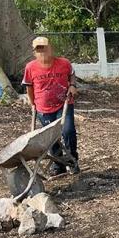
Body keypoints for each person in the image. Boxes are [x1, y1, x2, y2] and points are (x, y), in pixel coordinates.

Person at [22, 36, 80, 175]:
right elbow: (29, 87)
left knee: (68, 132)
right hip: (44, 108)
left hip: (64, 104)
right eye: (39, 49)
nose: (42, 52)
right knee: (51, 138)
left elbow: (72, 74)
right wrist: (32, 102)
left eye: (44, 48)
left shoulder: (64, 63)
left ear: (51, 48)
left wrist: (72, 85)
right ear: (34, 52)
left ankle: (72, 162)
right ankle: (58, 165)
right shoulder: (30, 67)